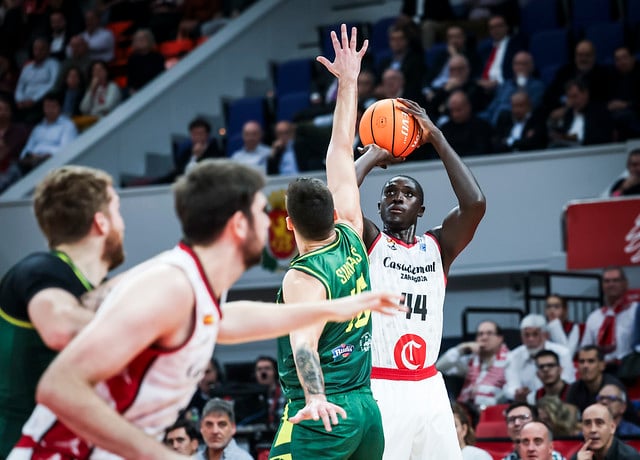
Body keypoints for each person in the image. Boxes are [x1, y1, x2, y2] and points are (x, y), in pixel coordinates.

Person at [11, 159, 404, 459]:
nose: (271, 226)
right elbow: (57, 386)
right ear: (237, 224)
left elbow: (230, 322)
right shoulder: (170, 286)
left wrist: (338, 308)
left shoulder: (196, 285)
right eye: (258, 211)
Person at [269, 24, 387, 460]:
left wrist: (315, 398)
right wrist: (350, 82)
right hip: (366, 408)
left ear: (288, 224)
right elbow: (340, 151)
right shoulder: (352, 231)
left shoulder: (303, 277)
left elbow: (303, 345)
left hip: (325, 412)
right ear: (333, 214)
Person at [355, 93, 486, 458]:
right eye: (389, 193)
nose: (397, 197)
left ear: (420, 208)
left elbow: (475, 204)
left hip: (428, 384)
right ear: (379, 206)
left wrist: (437, 138)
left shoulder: (438, 247)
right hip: (380, 382)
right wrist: (372, 155)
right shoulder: (369, 240)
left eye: (407, 193)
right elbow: (335, 202)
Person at [0, 165, 124, 457]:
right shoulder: (39, 271)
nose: (123, 224)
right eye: (117, 211)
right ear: (101, 223)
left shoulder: (99, 288)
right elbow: (60, 327)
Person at [437, 320, 509, 411]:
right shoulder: (471, 360)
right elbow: (439, 367)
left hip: (496, 411)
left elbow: (510, 390)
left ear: (500, 338)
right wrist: (461, 348)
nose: (484, 337)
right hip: (469, 410)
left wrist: (489, 403)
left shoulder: (510, 359)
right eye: (480, 334)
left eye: (489, 333)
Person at [504, 314, 575, 402]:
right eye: (526, 335)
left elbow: (568, 382)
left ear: (546, 335)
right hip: (525, 402)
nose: (530, 339)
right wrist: (518, 392)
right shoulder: (513, 356)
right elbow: (511, 386)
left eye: (535, 334)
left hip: (559, 400)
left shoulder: (562, 353)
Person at [581, 266, 639, 371]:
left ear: (625, 284)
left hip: (631, 372)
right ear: (602, 286)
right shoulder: (594, 317)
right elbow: (586, 349)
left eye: (615, 280)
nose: (611, 284)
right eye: (607, 281)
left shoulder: (636, 311)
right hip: (601, 373)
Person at [18, 90, 78, 174]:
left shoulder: (67, 125)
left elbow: (67, 149)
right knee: (14, 167)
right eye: (47, 106)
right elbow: (27, 148)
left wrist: (45, 154)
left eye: (53, 106)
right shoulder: (38, 128)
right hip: (32, 161)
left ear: (59, 107)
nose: (49, 110)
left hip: (53, 162)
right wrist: (28, 156)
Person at [480, 50, 545, 127]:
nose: (520, 67)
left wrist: (522, 86)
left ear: (531, 66)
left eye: (524, 64)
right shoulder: (505, 85)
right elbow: (491, 109)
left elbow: (529, 110)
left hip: (513, 125)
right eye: (517, 64)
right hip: (492, 125)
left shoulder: (537, 86)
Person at [547, 79, 613, 148]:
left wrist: (568, 138)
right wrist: (553, 120)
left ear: (585, 93)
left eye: (575, 96)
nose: (572, 101)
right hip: (565, 150)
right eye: (569, 97)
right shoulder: (568, 113)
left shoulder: (599, 111)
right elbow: (555, 132)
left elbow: (599, 138)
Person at [566, 345, 625, 414]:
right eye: (582, 361)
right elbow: (568, 420)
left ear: (602, 365)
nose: (585, 366)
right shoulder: (574, 388)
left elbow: (609, 420)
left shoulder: (613, 388)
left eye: (591, 361)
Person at [14, 37, 60, 124]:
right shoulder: (27, 67)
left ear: (48, 50)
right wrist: (19, 100)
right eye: (36, 49)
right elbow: (20, 86)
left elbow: (52, 84)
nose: (38, 52)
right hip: (23, 103)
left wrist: (34, 99)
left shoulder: (53, 64)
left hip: (41, 102)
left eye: (42, 49)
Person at [570, 404, 640, 460]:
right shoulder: (579, 457)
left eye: (599, 423)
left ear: (612, 427)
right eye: (587, 424)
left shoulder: (629, 457)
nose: (593, 429)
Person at [440, 90, 493, 156]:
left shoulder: (482, 127)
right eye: (452, 111)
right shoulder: (444, 129)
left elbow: (482, 151)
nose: (455, 114)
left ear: (468, 107)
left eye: (458, 110)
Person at [0, 94, 31, 193]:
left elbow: (7, 152)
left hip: (11, 170)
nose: (2, 112)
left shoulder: (20, 130)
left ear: (10, 112)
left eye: (4, 109)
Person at [182, 356, 225, 423]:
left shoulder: (230, 396)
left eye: (207, 372)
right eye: (199, 373)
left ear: (217, 373)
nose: (203, 377)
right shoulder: (188, 401)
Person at [126, 28, 165, 96]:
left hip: (156, 89)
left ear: (150, 40)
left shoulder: (158, 57)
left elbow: (161, 77)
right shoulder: (132, 59)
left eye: (143, 38)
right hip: (138, 92)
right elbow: (130, 82)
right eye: (138, 39)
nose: (141, 41)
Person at [544, 294, 584, 358]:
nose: (552, 310)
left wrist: (555, 326)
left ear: (565, 310)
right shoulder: (542, 329)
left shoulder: (573, 327)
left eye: (556, 307)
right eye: (548, 307)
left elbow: (568, 354)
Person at [254, 355, 285, 427]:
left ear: (275, 371)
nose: (263, 372)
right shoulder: (249, 395)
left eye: (267, 368)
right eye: (259, 369)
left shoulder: (285, 392)